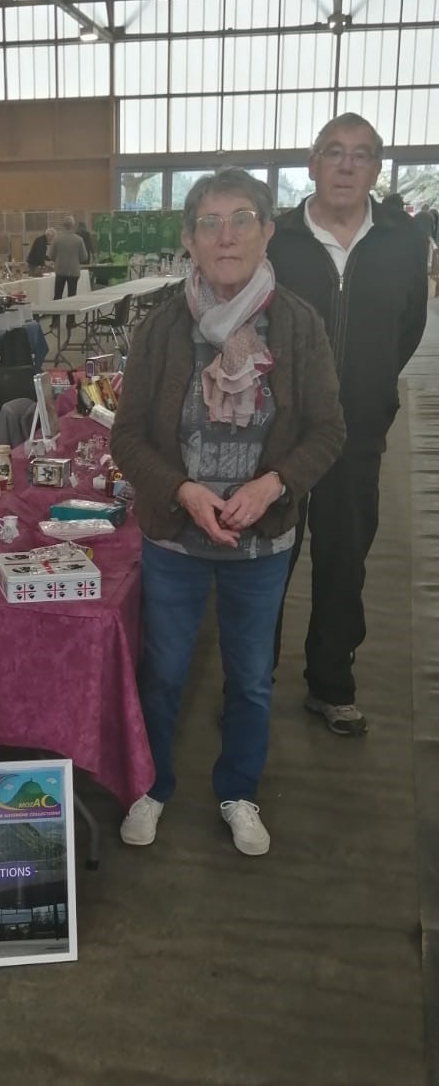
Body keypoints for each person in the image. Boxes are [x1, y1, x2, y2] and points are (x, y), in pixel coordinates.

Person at [112, 168, 344, 857]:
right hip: (174, 542)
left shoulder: (297, 324)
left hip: (260, 544)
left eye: (241, 219)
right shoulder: (161, 327)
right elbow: (127, 437)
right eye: (209, 224)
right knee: (162, 673)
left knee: (249, 679)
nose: (226, 236)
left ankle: (238, 791)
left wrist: (273, 485)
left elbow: (327, 430)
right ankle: (151, 785)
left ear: (267, 231)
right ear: (188, 239)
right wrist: (181, 490)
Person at [269, 113, 428, 735]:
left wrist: (369, 386)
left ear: (375, 169)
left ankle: (331, 685)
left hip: (358, 433)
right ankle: (251, 682)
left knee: (344, 561)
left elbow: (408, 327)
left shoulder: (401, 241)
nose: (345, 165)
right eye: (334, 152)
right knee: (267, 562)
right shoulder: (277, 240)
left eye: (360, 155)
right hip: (278, 436)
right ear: (313, 164)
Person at [48, 215, 89, 325]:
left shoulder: (57, 239)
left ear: (63, 225)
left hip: (60, 271)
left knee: (57, 296)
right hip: (73, 271)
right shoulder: (79, 240)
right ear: (73, 225)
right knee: (72, 297)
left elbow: (51, 256)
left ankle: (55, 321)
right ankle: (70, 321)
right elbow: (84, 257)